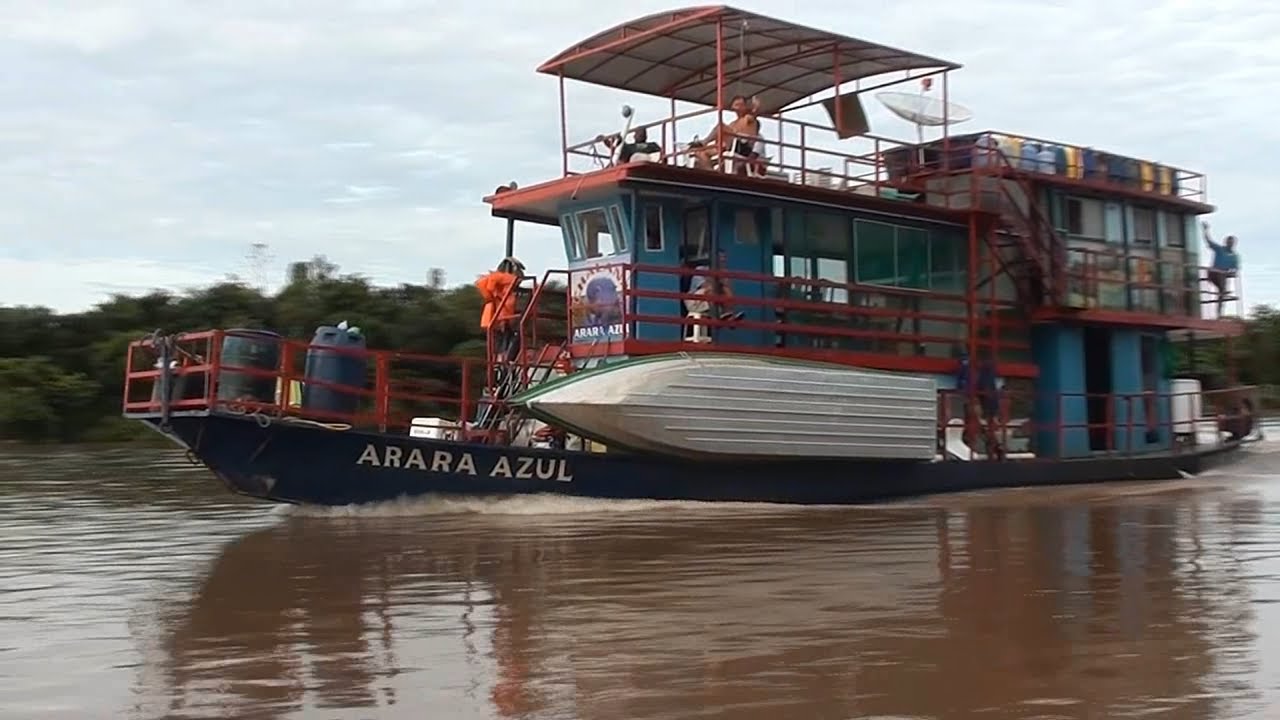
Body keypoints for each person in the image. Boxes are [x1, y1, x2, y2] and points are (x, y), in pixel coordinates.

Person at [692, 95, 762, 174]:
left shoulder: (748, 118)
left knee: (721, 126)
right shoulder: (732, 123)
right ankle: (710, 172)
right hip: (728, 145)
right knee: (700, 152)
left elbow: (754, 114)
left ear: (745, 106)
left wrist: (756, 106)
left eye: (741, 105)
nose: (738, 107)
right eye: (736, 105)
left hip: (742, 147)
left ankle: (704, 142)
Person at [476, 257, 524, 365]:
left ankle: (501, 363)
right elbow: (519, 279)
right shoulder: (505, 278)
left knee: (501, 341)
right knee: (513, 338)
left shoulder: (492, 282)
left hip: (493, 316)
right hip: (502, 315)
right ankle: (506, 362)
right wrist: (517, 265)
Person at [1202, 221, 1238, 315]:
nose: (1230, 243)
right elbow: (1209, 241)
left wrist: (1232, 272)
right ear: (1226, 242)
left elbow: (1235, 269)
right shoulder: (1220, 249)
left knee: (1222, 290)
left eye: (1232, 242)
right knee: (1222, 284)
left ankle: (1219, 312)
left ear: (1234, 243)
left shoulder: (1234, 256)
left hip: (1223, 275)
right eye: (1228, 242)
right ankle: (1223, 292)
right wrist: (1205, 230)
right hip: (1214, 273)